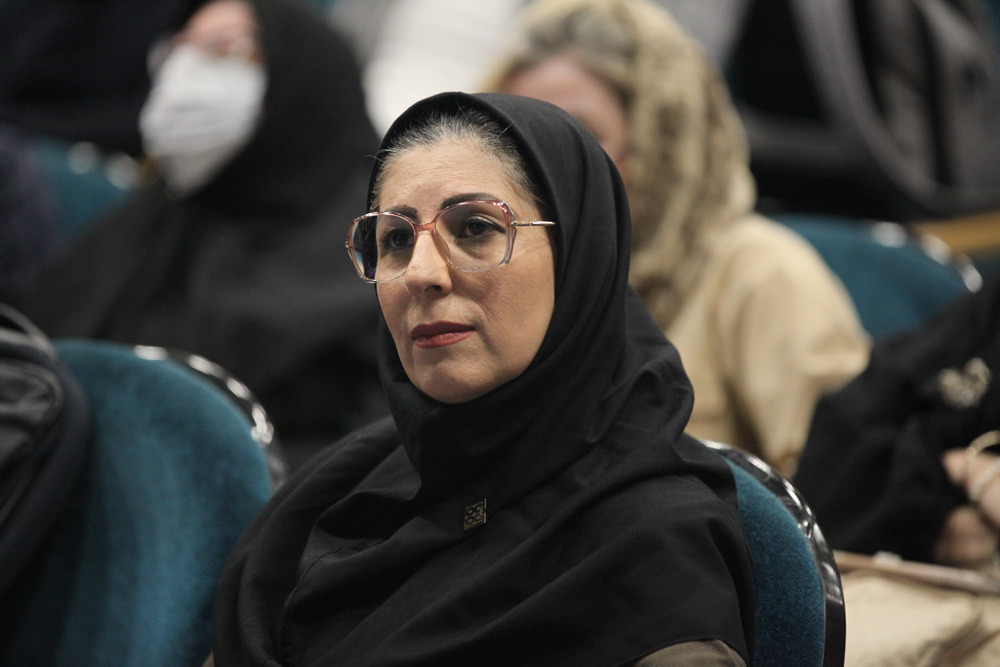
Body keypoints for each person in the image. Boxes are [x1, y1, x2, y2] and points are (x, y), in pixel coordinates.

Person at [210, 91, 755, 666]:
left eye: (474, 228)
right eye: (395, 240)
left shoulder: (654, 549)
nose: (420, 273)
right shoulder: (339, 494)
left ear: (578, 250)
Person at [483, 0, 870, 475]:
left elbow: (849, 489)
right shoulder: (500, 282)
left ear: (660, 146)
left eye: (582, 137)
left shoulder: (763, 273)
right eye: (521, 141)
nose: (546, 168)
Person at [12, 0, 388, 469]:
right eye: (178, 48)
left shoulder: (373, 266)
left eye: (223, 49)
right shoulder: (158, 219)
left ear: (302, 80)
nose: (186, 71)